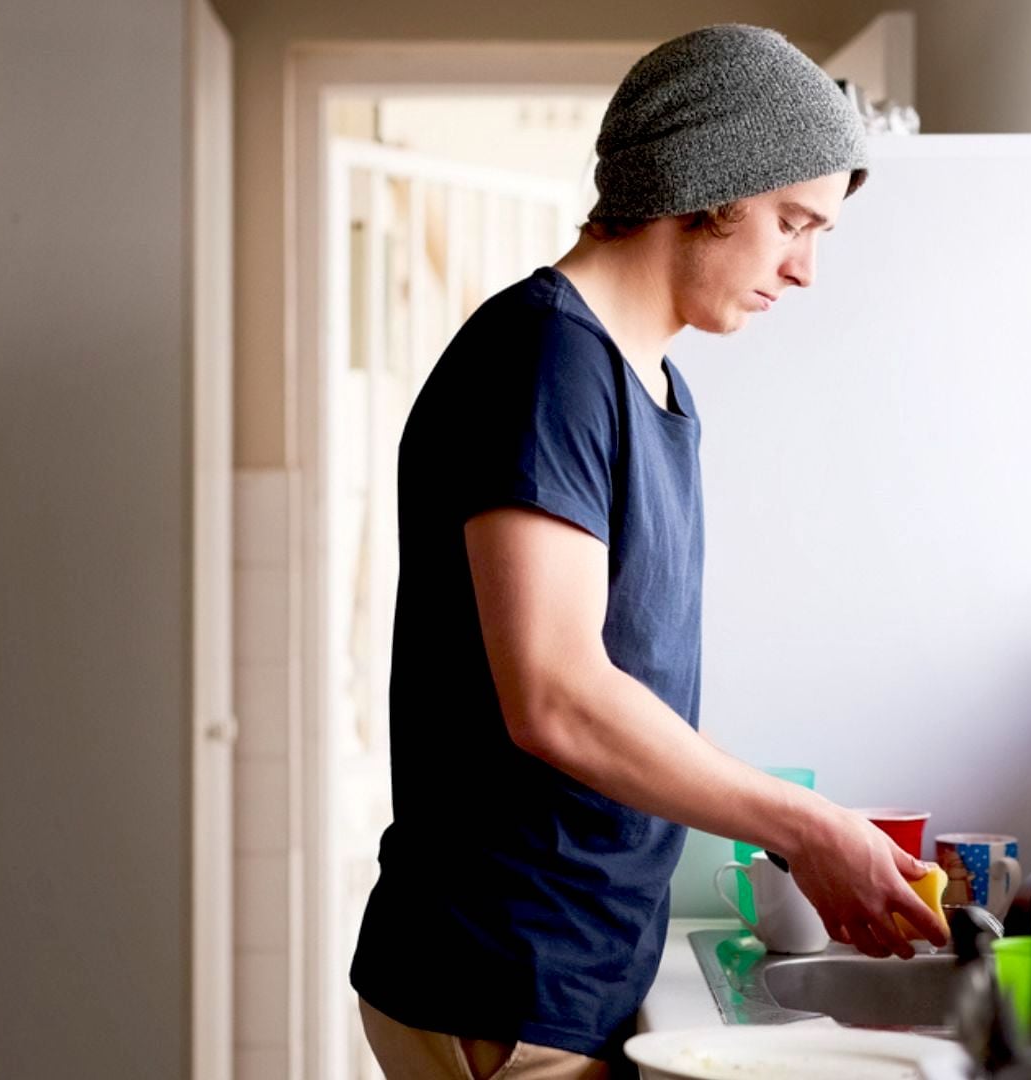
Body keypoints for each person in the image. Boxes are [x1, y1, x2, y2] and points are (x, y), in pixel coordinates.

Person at [350, 24, 949, 1080]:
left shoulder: (651, 384)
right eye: (790, 222)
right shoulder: (544, 362)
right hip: (505, 974)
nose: (805, 269)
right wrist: (805, 827)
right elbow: (557, 695)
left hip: (572, 966)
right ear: (705, 182)